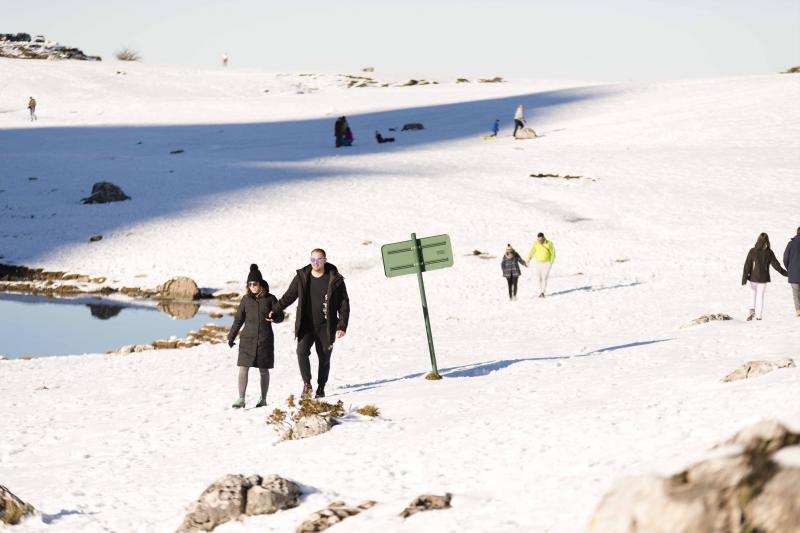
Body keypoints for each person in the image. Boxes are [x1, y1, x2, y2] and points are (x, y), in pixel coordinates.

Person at [271, 249, 350, 399]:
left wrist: (342, 325)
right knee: (301, 352)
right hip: (306, 325)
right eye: (313, 260)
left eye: (318, 259)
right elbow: (289, 296)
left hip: (326, 326)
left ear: (325, 260)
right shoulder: (302, 277)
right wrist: (275, 310)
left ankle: (321, 386)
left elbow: (344, 304)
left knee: (324, 357)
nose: (315, 263)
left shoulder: (335, 280)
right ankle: (307, 384)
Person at [227, 264, 284, 408]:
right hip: (247, 339)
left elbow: (281, 316)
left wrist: (275, 317)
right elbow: (238, 319)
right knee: (243, 367)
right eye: (250, 284)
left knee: (263, 370)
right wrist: (231, 336)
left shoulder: (271, 299)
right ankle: (241, 399)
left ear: (260, 284)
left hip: (265, 339)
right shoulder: (246, 300)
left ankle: (263, 399)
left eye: (255, 284)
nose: (252, 286)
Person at [742, 232, 788, 321]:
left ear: (758, 239)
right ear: (767, 240)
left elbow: (747, 265)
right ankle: (759, 316)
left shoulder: (752, 251)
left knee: (752, 294)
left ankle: (752, 309)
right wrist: (787, 274)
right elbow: (776, 266)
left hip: (753, 278)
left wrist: (744, 278)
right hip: (763, 279)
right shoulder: (769, 252)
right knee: (760, 297)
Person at [527, 232, 556, 298]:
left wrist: (551, 262)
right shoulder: (536, 243)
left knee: (544, 277)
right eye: (538, 239)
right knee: (538, 278)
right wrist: (528, 259)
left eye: (541, 239)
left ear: (543, 238)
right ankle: (540, 291)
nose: (539, 241)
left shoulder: (549, 243)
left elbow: (553, 253)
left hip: (546, 263)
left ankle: (543, 292)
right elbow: (532, 251)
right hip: (538, 263)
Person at [782, 226, 800, 317]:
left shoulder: (791, 244)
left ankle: (798, 311)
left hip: (793, 274)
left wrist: (789, 269)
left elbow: (785, 258)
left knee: (795, 293)